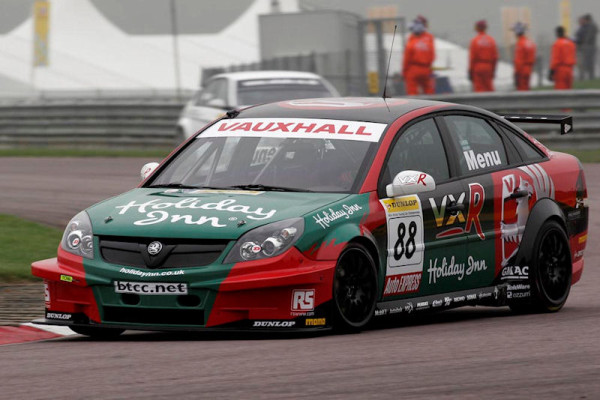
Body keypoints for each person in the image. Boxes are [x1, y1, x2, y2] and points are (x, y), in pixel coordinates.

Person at [402, 19, 435, 95]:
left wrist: (404, 72)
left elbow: (406, 59)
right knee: (429, 92)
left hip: (413, 69)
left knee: (412, 93)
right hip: (427, 68)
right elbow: (432, 56)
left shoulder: (411, 41)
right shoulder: (429, 39)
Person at [469, 20, 498, 92]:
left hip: (478, 67)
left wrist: (470, 71)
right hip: (489, 66)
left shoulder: (475, 41)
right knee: (489, 88)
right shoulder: (491, 40)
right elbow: (495, 57)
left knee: (479, 89)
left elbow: (472, 58)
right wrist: (493, 70)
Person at [512, 22, 537, 91]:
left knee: (521, 90)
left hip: (521, 71)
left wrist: (516, 74)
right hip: (529, 69)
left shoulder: (520, 43)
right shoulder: (530, 43)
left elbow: (519, 61)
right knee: (527, 89)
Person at [575, 14, 598, 80]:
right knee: (582, 64)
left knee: (589, 63)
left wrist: (582, 42)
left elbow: (588, 37)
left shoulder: (591, 26)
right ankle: (584, 77)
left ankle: (590, 77)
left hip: (588, 47)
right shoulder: (583, 27)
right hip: (583, 47)